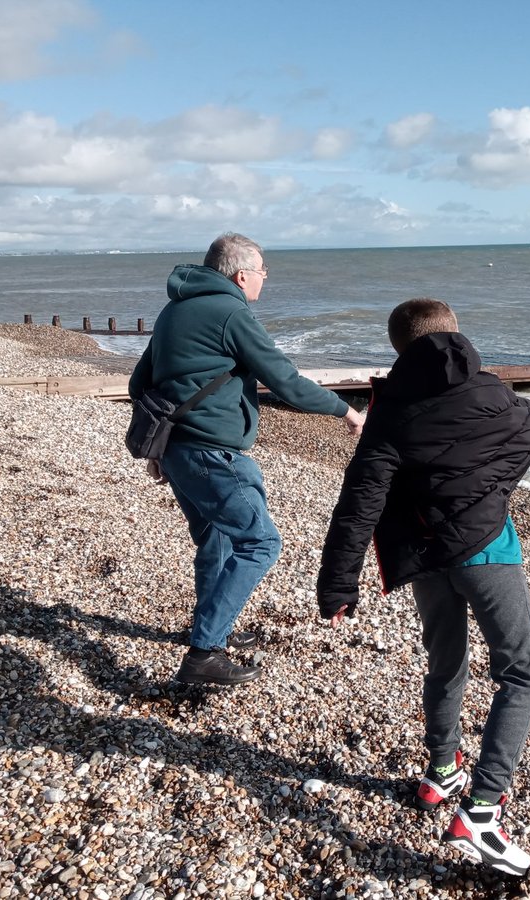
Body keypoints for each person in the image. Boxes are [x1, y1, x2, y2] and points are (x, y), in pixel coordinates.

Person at [316, 298, 530, 878]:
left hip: (423, 552)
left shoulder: (390, 405)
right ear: (456, 333)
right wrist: (491, 492)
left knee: (446, 661)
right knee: (520, 670)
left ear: (399, 347)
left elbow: (360, 500)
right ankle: (483, 810)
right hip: (485, 547)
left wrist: (339, 582)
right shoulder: (489, 388)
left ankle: (442, 771)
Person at [129, 232, 364, 687]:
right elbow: (286, 381)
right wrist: (348, 412)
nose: (265, 278)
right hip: (214, 454)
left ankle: (210, 630)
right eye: (262, 270)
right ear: (241, 275)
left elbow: (143, 382)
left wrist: (161, 451)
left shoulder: (174, 310)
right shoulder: (232, 312)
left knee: (216, 541)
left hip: (179, 451)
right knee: (260, 543)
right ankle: (204, 655)